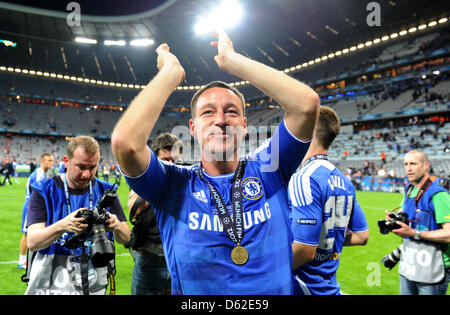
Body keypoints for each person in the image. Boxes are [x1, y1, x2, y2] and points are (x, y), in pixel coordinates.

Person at [111, 29, 319, 294]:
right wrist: (170, 73)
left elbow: (306, 104)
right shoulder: (171, 184)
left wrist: (232, 60)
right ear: (193, 127)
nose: (220, 120)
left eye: (231, 112)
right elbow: (125, 144)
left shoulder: (269, 168)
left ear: (244, 126)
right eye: (208, 113)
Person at [25, 136, 130, 295]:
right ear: (66, 161)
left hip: (93, 283)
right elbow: (32, 242)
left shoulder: (106, 191)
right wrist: (62, 226)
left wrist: (116, 227)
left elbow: (127, 237)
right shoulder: (43, 190)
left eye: (93, 167)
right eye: (81, 167)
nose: (87, 174)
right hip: (50, 284)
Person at [289, 106, 369, 295]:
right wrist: (328, 238)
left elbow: (304, 249)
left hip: (303, 286)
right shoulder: (345, 181)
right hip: (328, 286)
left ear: (308, 132)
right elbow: (362, 236)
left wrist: (265, 272)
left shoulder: (305, 177)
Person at [387, 149, 450, 295]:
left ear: (425, 165)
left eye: (413, 164)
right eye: (406, 164)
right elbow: (409, 226)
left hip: (433, 271)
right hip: (409, 266)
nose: (408, 168)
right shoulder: (409, 190)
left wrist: (415, 232)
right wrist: (395, 221)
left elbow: (448, 234)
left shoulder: (439, 195)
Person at [128, 132, 183, 295]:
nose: (171, 164)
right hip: (149, 258)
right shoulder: (143, 180)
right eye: (166, 160)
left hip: (177, 258)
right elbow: (134, 211)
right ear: (154, 161)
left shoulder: (184, 179)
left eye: (175, 160)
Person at [18, 153, 54, 269]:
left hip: (34, 207)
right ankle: (22, 260)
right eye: (49, 160)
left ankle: (29, 259)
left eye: (52, 160)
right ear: (42, 161)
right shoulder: (39, 174)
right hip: (31, 207)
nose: (51, 162)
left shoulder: (42, 173)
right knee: (27, 234)